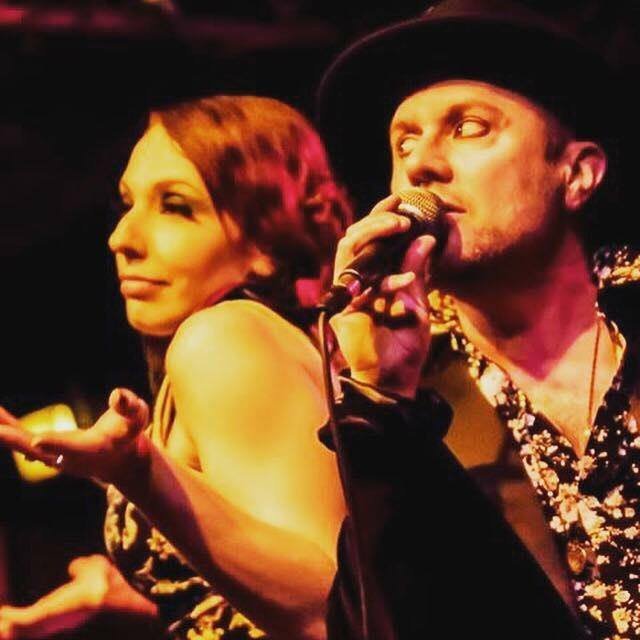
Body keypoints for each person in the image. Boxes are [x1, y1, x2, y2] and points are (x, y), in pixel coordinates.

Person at [316, 1, 639, 638]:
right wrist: (383, 401)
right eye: (403, 140)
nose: (420, 164)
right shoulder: (412, 396)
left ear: (576, 174)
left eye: (468, 128)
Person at [0, 95, 350, 640]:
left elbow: (329, 610)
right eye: (127, 204)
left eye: (175, 206)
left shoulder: (224, 338)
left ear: (265, 241)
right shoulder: (245, 342)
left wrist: (138, 470)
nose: (123, 239)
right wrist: (129, 600)